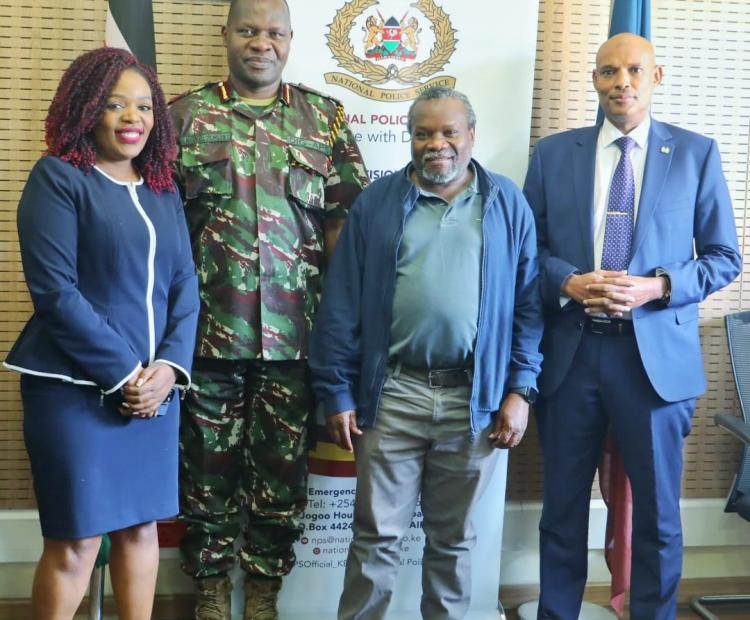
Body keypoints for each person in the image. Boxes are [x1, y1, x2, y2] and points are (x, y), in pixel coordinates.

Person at [523, 33, 741, 620]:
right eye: (609, 72)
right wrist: (568, 281)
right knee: (561, 512)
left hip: (654, 365)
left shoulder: (695, 153)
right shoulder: (552, 155)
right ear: (595, 80)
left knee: (658, 519)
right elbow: (526, 251)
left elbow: (725, 257)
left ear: (657, 76)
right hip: (571, 360)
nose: (622, 82)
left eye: (635, 71)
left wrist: (658, 286)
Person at [310, 86, 544, 620]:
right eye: (423, 133)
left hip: (474, 400)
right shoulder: (377, 203)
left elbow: (530, 308)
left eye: (448, 132)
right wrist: (337, 391)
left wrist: (519, 389)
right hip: (392, 395)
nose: (436, 144)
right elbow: (341, 302)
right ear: (409, 138)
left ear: (471, 136)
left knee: (454, 542)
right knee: (375, 540)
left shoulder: (506, 203)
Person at [169, 0, 368, 617]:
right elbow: (157, 230)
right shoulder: (183, 117)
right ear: (225, 35)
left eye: (274, 33)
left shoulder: (325, 119)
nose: (262, 43)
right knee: (204, 469)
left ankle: (262, 592)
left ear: (290, 40)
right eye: (249, 31)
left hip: (297, 340)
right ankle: (208, 589)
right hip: (204, 337)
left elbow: (347, 229)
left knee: (282, 474)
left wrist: (345, 333)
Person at [3, 47, 200, 620]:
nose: (131, 117)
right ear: (86, 110)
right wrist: (126, 374)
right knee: (77, 541)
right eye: (114, 104)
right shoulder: (58, 177)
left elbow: (184, 285)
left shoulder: (163, 189)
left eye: (143, 106)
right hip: (73, 393)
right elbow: (56, 293)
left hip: (155, 396)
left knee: (142, 530)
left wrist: (167, 370)